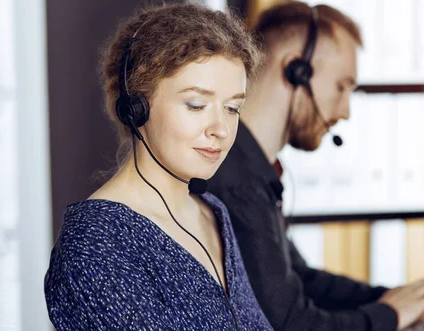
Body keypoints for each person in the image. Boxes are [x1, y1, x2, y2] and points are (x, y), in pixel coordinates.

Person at [208, 2, 424, 331]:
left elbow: (303, 280)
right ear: (297, 71)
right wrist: (392, 315)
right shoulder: (238, 183)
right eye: (342, 86)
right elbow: (292, 323)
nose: (345, 111)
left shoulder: (251, 168)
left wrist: (420, 302)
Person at [44, 3, 273, 330]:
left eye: (233, 108)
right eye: (196, 105)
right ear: (137, 107)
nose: (220, 128)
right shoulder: (96, 243)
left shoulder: (213, 212)